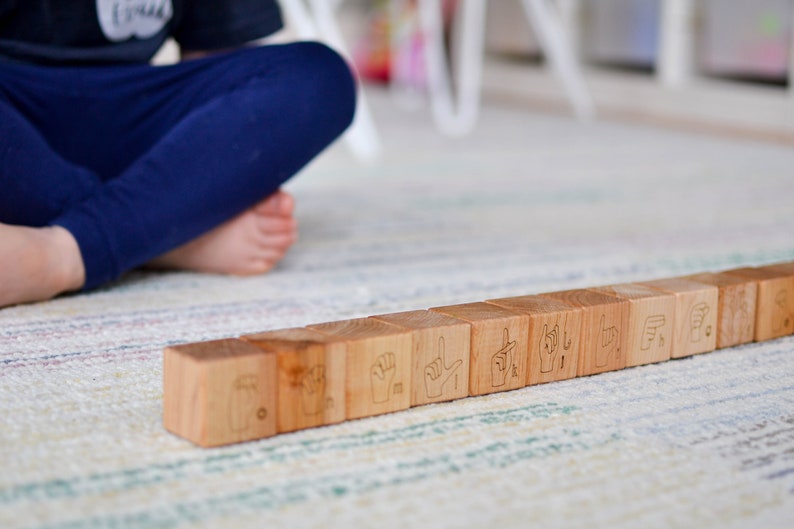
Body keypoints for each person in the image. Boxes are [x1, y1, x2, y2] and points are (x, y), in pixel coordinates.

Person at [0, 0, 357, 308]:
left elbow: (215, 61)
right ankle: (164, 238)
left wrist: (214, 179)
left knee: (321, 76)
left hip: (135, 113)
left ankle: (64, 253)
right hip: (13, 124)